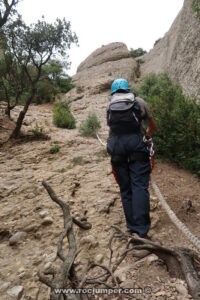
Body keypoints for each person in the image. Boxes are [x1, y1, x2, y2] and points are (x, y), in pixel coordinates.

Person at [106, 78, 157, 238]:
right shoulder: (139, 101)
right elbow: (152, 125)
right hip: (136, 145)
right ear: (128, 89)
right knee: (139, 186)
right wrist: (147, 135)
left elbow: (111, 128)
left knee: (125, 188)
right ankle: (141, 232)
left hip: (116, 147)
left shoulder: (110, 104)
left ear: (114, 91)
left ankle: (132, 226)